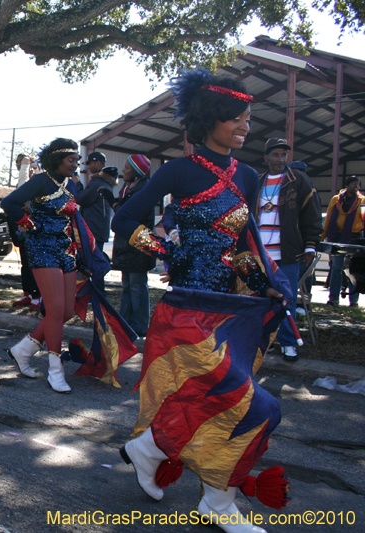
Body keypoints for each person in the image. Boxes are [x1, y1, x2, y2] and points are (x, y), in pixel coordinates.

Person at [112, 69, 290, 533]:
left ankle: (170, 464)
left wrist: (265, 283)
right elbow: (124, 220)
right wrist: (168, 251)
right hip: (187, 311)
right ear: (211, 119)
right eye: (237, 118)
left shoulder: (247, 175)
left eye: (248, 119)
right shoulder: (178, 170)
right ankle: (199, 487)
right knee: (253, 405)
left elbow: (244, 247)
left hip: (230, 313)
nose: (246, 126)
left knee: (215, 404)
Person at [1, 138, 83, 393]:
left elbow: (75, 220)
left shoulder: (72, 184)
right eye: (71, 160)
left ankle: (23, 350)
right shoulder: (40, 181)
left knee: (66, 311)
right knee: (55, 310)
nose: (75, 164)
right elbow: (8, 203)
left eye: (77, 160)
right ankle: (55, 371)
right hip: (42, 248)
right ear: (57, 159)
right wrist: (30, 225)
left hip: (66, 249)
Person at [255, 138, 322, 361]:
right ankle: (262, 341)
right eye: (276, 155)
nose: (280, 159)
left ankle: (288, 343)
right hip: (260, 254)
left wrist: (311, 245)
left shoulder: (299, 180)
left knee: (287, 299)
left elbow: (312, 216)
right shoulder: (257, 182)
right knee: (260, 298)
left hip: (288, 253)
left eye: (284, 155)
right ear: (266, 157)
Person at [111, 154, 154, 337]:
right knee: (128, 285)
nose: (123, 170)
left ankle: (140, 326)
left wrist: (114, 204)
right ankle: (126, 323)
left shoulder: (143, 190)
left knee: (137, 287)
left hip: (137, 246)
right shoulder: (128, 188)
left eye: (127, 168)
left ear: (137, 171)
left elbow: (129, 214)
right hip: (126, 245)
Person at [76, 152, 118, 293]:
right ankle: (97, 293)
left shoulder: (97, 182)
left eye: (90, 163)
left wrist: (77, 184)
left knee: (93, 263)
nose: (88, 167)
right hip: (99, 229)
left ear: (98, 163)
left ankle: (97, 294)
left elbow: (81, 199)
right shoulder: (106, 183)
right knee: (95, 262)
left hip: (92, 230)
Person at [322, 175, 364, 307]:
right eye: (354, 183)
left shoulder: (362, 201)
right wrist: (322, 237)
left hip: (354, 237)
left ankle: (354, 300)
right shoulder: (336, 200)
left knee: (353, 268)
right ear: (347, 185)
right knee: (336, 268)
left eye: (358, 184)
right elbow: (328, 219)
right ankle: (333, 299)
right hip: (337, 237)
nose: (356, 186)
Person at [10, 154, 42, 309]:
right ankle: (27, 292)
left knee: (33, 264)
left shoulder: (36, 180)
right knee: (25, 264)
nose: (19, 165)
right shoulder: (20, 183)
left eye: (21, 162)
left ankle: (38, 295)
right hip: (21, 230)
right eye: (17, 162)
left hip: (34, 230)